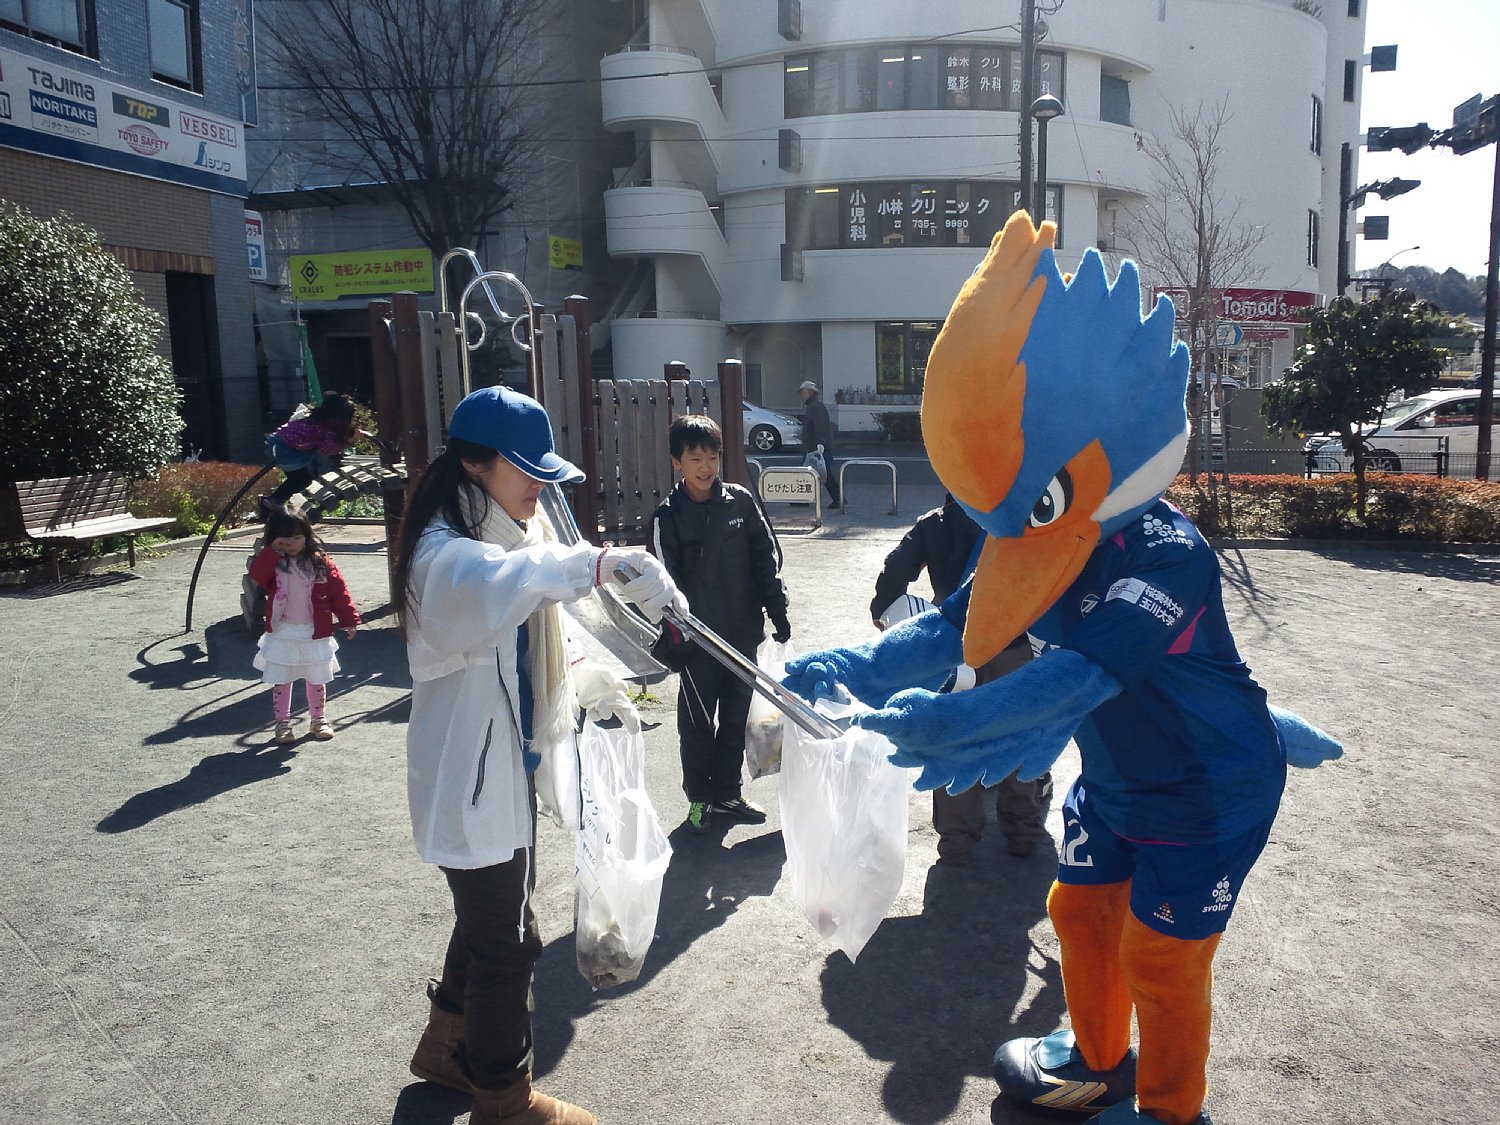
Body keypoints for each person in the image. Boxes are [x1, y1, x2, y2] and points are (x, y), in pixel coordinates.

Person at [392, 385, 682, 1125]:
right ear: (474, 463)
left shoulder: (502, 533)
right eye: (527, 470)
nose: (541, 487)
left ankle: (445, 1047)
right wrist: (604, 561)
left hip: (498, 770)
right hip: (473, 779)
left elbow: (536, 613)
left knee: (489, 919)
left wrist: (591, 678)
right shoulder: (447, 556)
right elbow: (510, 582)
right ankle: (503, 1098)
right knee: (510, 942)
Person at [869, 493, 1051, 864]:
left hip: (954, 651)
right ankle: (1022, 832)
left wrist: (884, 615)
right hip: (1011, 644)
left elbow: (892, 576)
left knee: (952, 740)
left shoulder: (933, 524)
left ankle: (957, 841)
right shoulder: (1014, 520)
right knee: (1015, 735)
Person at [649, 413, 790, 835]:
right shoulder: (667, 517)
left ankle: (728, 795)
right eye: (695, 458)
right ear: (677, 462)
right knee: (696, 724)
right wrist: (682, 631)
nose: (706, 467)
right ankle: (699, 800)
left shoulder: (740, 502)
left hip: (742, 635)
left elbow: (765, 561)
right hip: (697, 643)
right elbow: (661, 586)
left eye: (712, 457)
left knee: (735, 720)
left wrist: (778, 611)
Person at [248, 507, 359, 744]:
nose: (292, 544)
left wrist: (349, 620)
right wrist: (272, 552)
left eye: (298, 537)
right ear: (275, 539)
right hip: (284, 630)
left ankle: (318, 719)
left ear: (307, 536)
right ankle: (282, 722)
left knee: (316, 677)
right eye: (285, 539)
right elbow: (257, 574)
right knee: (282, 678)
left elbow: (339, 592)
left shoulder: (320, 563)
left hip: (314, 630)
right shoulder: (274, 562)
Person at [262, 393, 361, 511]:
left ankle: (274, 500)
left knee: (300, 478)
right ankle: (274, 500)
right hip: (284, 448)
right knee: (301, 479)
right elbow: (326, 451)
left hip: (282, 443)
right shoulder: (326, 428)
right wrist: (349, 441)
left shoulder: (318, 420)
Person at [797, 379, 840, 508]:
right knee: (817, 472)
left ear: (809, 392)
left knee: (816, 473)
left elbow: (820, 426)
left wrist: (820, 443)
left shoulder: (815, 407)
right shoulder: (814, 406)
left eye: (802, 392)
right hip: (815, 446)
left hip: (817, 447)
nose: (800, 395)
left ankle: (838, 498)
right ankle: (804, 498)